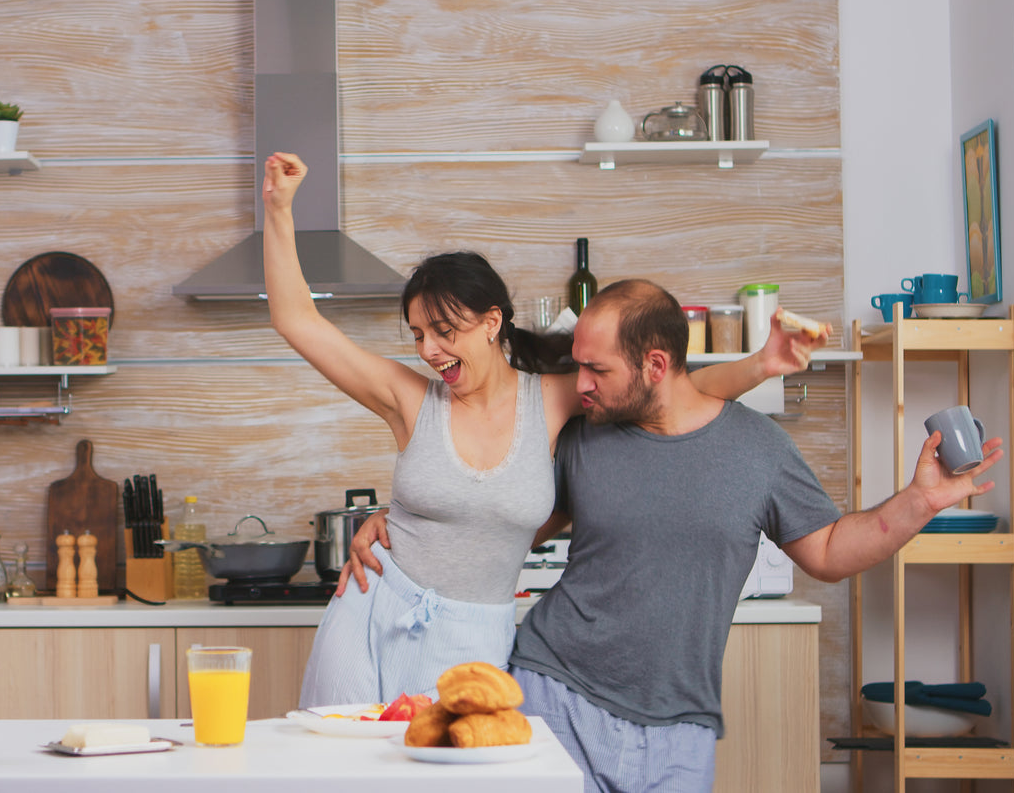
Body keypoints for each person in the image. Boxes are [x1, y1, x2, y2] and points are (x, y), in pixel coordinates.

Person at [258, 152, 827, 708]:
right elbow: (296, 320)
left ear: (491, 323)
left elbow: (670, 391)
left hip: (476, 638)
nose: (429, 350)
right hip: (371, 611)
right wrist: (279, 210)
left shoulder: (552, 399)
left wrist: (761, 364)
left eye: (444, 331)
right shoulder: (410, 401)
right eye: (416, 335)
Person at [499, 279, 998, 792]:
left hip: (680, 728)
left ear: (654, 365)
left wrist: (920, 500)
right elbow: (513, 534)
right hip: (552, 694)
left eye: (596, 369)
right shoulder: (587, 434)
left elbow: (828, 551)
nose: (579, 384)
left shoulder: (758, 449)